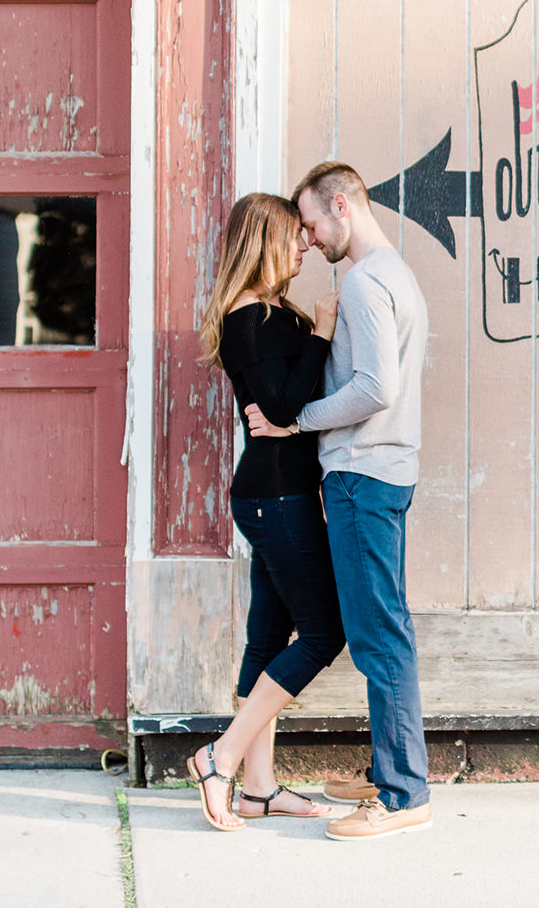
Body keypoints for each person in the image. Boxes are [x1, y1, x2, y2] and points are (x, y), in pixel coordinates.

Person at [245, 161, 431, 841]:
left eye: (314, 221)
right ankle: (393, 769)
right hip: (386, 472)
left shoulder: (363, 283)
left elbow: (375, 386)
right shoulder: (398, 275)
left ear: (343, 204)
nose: (311, 236)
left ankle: (403, 793)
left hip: (361, 476)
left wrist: (302, 419)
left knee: (377, 634)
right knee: (385, 626)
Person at [188, 192, 345, 832]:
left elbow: (288, 407)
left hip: (280, 491)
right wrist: (326, 333)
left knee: (267, 639)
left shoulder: (275, 313)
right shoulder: (247, 317)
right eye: (295, 235)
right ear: (266, 241)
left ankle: (258, 788)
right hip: (274, 497)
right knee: (323, 633)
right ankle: (220, 756)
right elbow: (279, 407)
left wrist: (296, 405)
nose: (306, 244)